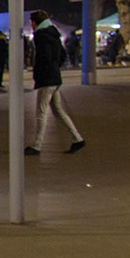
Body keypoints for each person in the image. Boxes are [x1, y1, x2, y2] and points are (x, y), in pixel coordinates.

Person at [25, 10, 84, 156]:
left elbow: (44, 56)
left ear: (35, 22)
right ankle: (77, 138)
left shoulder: (41, 35)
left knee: (41, 112)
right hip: (55, 77)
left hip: (46, 78)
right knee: (57, 110)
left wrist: (40, 71)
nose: (31, 25)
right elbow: (62, 54)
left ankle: (37, 145)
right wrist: (55, 67)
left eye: (32, 22)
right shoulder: (53, 33)